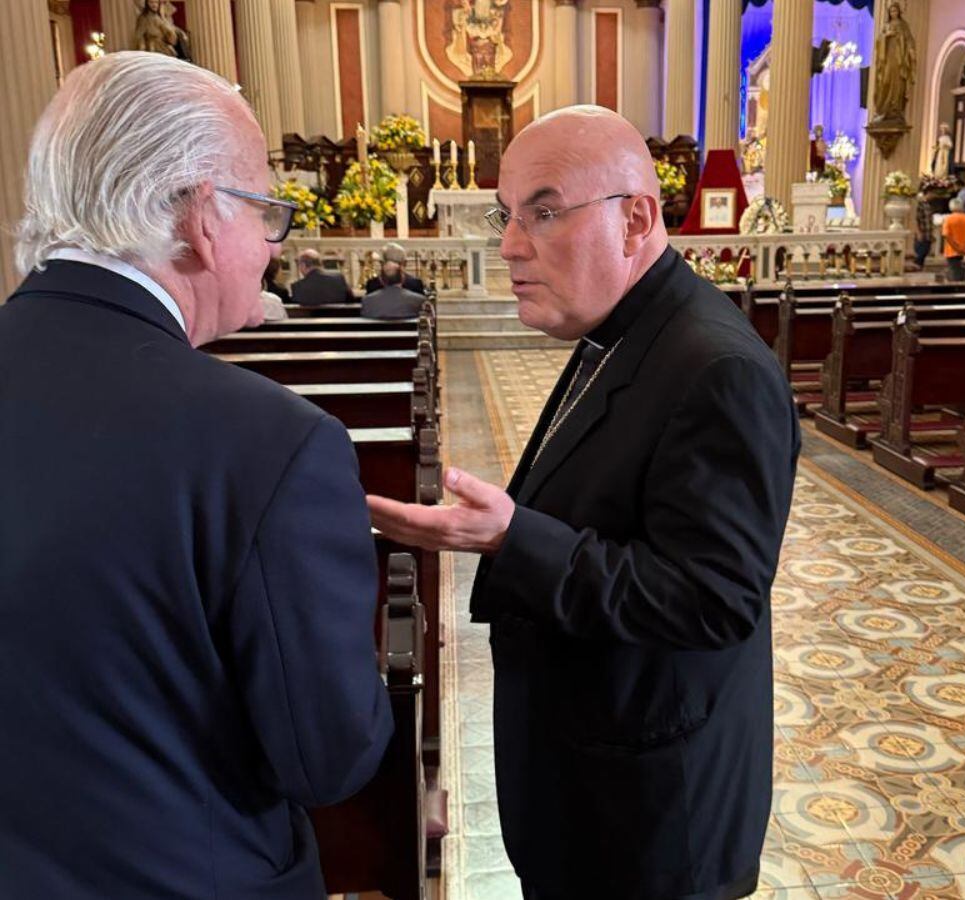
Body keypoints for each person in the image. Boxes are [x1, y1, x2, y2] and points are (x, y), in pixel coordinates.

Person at [368, 105, 799, 900]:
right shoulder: (622, 330)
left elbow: (715, 599)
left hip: (656, 824)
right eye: (508, 215)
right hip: (595, 788)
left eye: (543, 211)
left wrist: (511, 539)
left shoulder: (715, 369)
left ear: (635, 218)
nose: (507, 244)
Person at [0, 52, 392, 897]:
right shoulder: (268, 442)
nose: (272, 248)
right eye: (269, 212)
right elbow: (330, 756)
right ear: (201, 216)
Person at [872, 2, 917, 123]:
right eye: (891, 11)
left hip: (899, 59)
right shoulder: (886, 26)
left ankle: (895, 110)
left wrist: (912, 50)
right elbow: (878, 41)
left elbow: (909, 39)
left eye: (895, 11)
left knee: (898, 84)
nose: (893, 13)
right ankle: (882, 110)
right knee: (885, 82)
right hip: (888, 58)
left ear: (899, 12)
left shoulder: (903, 25)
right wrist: (887, 35)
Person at [291, 247, 355, 305]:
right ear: (320, 263)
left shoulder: (297, 287)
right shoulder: (339, 279)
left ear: (303, 265)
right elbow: (352, 302)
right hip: (339, 317)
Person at [941, 197, 965, 282]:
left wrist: (957, 248)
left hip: (952, 252)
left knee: (954, 278)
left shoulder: (948, 219)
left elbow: (946, 235)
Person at [913, 190, 933, 269]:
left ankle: (920, 266)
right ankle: (917, 265)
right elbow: (917, 219)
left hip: (928, 232)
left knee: (926, 250)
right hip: (922, 231)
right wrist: (918, 231)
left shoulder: (927, 204)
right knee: (921, 251)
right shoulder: (920, 205)